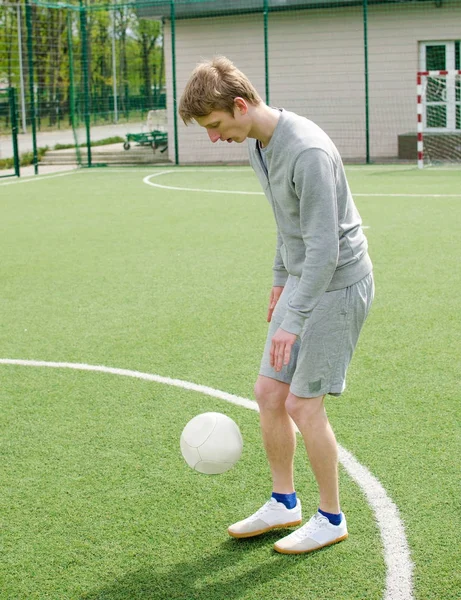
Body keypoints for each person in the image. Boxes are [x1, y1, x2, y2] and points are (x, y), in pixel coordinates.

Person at [179, 56, 374, 555]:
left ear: (241, 106)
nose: (214, 137)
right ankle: (284, 503)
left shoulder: (305, 149)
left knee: (302, 404)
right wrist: (277, 281)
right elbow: (291, 229)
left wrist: (294, 315)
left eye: (216, 125)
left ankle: (330, 517)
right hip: (305, 279)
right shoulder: (260, 147)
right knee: (268, 392)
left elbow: (326, 250)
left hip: (337, 285)